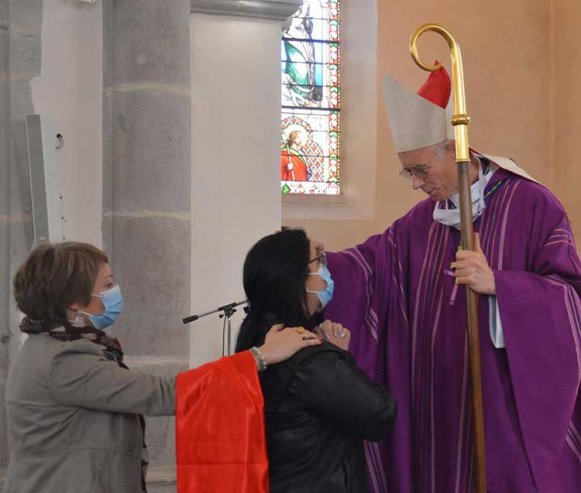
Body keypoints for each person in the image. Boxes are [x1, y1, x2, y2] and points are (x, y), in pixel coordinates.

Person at [322, 66, 581, 492]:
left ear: (454, 150)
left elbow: (568, 297)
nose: (416, 185)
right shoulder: (420, 221)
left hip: (502, 401)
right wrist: (318, 264)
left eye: (421, 170)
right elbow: (371, 267)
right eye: (409, 173)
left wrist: (501, 284)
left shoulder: (532, 204)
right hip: (436, 399)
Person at [4, 241, 322, 493]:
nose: (115, 292)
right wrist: (259, 356)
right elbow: (164, 394)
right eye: (108, 284)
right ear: (74, 300)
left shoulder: (58, 347)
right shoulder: (62, 359)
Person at [235, 228, 396, 493]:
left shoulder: (260, 335)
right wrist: (340, 356)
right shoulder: (307, 355)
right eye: (318, 261)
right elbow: (379, 414)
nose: (326, 268)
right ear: (298, 279)